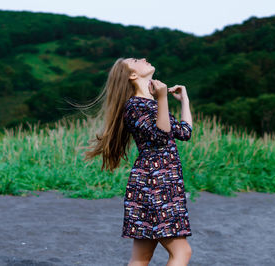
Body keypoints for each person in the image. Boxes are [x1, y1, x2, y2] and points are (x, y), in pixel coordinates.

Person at [83, 57, 193, 266]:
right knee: (182, 252)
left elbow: (184, 132)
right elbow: (161, 135)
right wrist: (162, 99)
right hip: (155, 186)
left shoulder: (149, 103)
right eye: (135, 60)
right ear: (133, 75)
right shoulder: (134, 106)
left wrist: (184, 100)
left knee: (141, 258)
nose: (143, 58)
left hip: (159, 185)